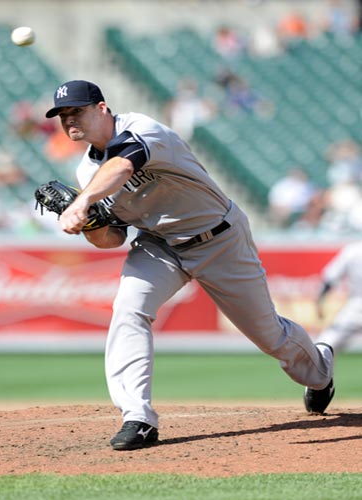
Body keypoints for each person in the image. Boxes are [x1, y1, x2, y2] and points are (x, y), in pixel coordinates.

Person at [44, 80, 335, 450]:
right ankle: (137, 417)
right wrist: (91, 225)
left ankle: (320, 369)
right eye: (63, 115)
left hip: (219, 238)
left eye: (77, 111)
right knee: (128, 310)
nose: (70, 121)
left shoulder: (143, 129)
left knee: (270, 336)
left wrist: (82, 203)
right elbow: (112, 238)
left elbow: (123, 163)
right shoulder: (87, 173)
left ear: (102, 108)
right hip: (159, 245)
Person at [316, 241, 362, 353]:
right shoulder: (353, 250)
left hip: (357, 306)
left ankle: (316, 369)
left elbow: (330, 277)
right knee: (325, 345)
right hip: (357, 304)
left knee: (324, 345)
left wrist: (319, 301)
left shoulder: (353, 250)